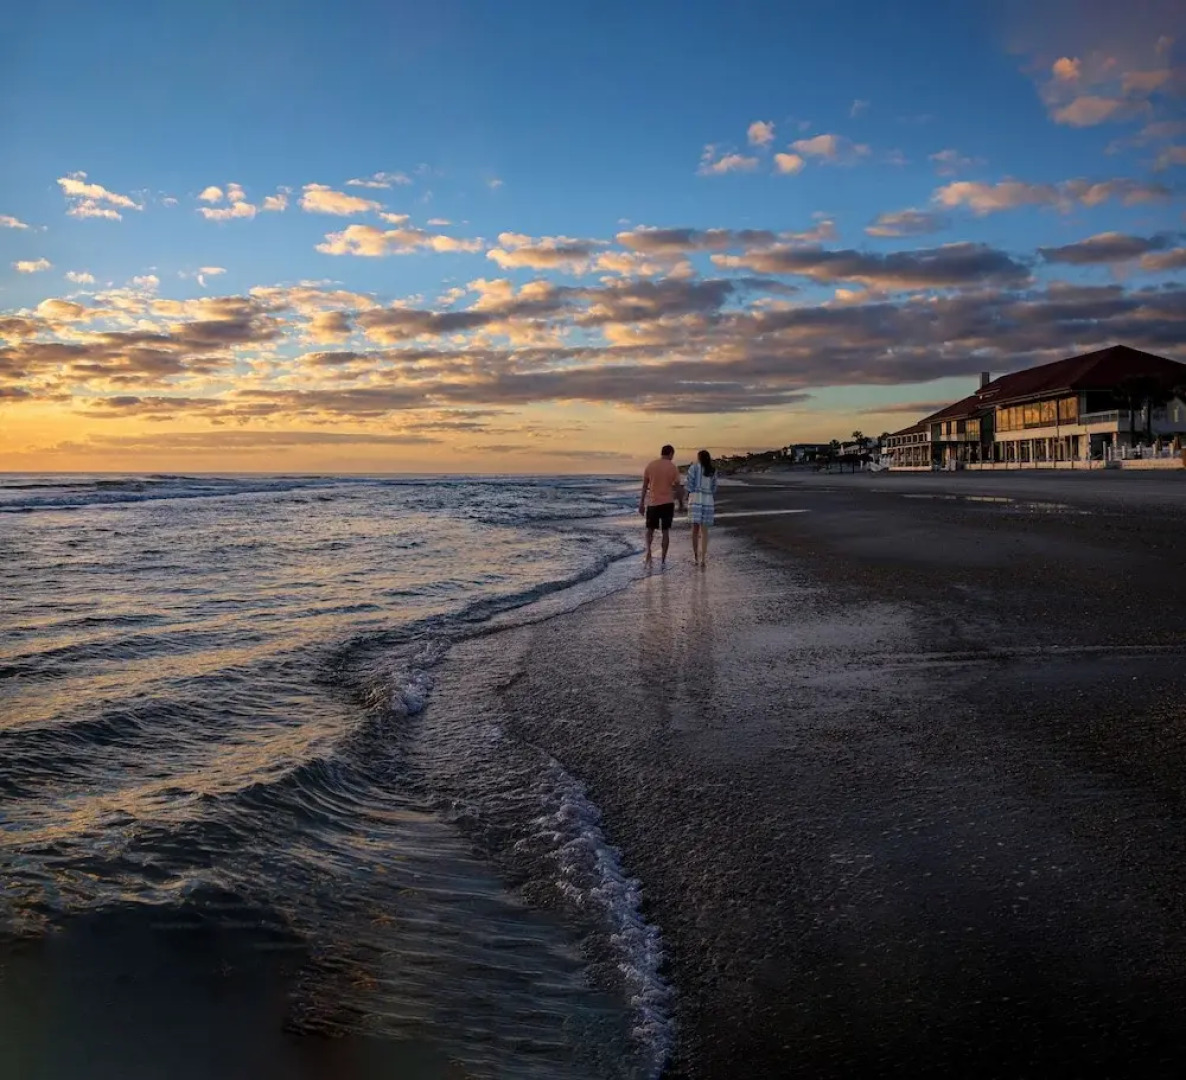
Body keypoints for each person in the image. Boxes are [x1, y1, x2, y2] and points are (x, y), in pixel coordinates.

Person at [638, 444, 683, 565]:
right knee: (665, 531)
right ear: (670, 454)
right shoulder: (673, 467)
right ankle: (663, 559)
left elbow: (644, 486)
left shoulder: (650, 465)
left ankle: (648, 553)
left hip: (652, 503)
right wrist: (681, 502)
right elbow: (678, 487)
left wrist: (641, 503)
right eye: (672, 455)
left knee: (650, 530)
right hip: (668, 503)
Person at [685, 449, 718, 567]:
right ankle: (703, 558)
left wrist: (687, 495)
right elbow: (714, 488)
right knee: (704, 531)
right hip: (708, 500)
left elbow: (689, 484)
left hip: (696, 499)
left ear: (699, 458)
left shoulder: (693, 468)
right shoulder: (713, 470)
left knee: (695, 530)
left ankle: (695, 557)